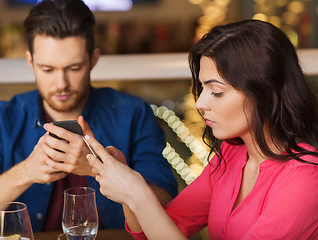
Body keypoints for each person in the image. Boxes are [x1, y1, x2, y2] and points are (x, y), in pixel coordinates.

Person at [86, 19, 318, 239]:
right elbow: (152, 232)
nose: (200, 103)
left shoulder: (305, 178)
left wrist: (138, 194)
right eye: (203, 88)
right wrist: (128, 185)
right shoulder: (231, 154)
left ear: (264, 93)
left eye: (216, 92)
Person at [0, 0, 177, 231]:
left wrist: (98, 169)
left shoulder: (133, 113)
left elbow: (167, 209)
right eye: (47, 69)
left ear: (93, 60)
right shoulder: (2, 118)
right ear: (30, 62)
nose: (61, 84)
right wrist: (26, 171)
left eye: (74, 68)